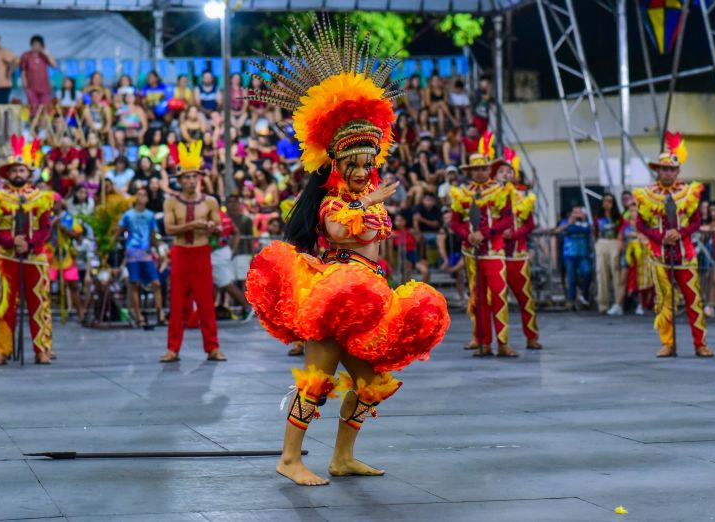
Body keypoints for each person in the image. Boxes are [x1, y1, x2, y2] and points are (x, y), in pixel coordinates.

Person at [244, 17, 449, 486]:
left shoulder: (364, 196)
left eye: (367, 163)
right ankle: (290, 458)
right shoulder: (336, 200)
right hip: (335, 297)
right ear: (335, 164)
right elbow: (336, 231)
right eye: (353, 164)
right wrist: (364, 201)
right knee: (317, 380)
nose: (362, 171)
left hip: (367, 296)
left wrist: (370, 204)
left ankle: (341, 457)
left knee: (372, 383)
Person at [634, 131, 713, 357]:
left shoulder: (689, 193)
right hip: (659, 256)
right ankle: (667, 342)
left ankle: (700, 344)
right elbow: (640, 225)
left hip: (685, 257)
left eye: (671, 169)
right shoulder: (646, 194)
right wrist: (661, 237)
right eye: (663, 169)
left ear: (677, 171)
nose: (667, 173)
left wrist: (679, 233)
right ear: (657, 170)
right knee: (664, 302)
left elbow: (697, 221)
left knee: (693, 301)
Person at [0, 136, 55, 365]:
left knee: (39, 303)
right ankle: (3, 350)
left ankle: (41, 349)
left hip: (35, 257)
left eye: (21, 170)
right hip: (7, 258)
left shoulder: (42, 198)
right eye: (14, 170)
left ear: (29, 173)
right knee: (6, 304)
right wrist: (10, 241)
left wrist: (31, 244)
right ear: (7, 174)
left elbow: (46, 228)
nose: (17, 174)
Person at [450, 138, 516, 357]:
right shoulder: (462, 193)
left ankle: (503, 342)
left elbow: (506, 221)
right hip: (471, 253)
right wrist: (467, 235)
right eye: (475, 169)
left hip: (494, 251)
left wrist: (483, 234)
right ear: (470, 171)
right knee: (478, 299)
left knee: (498, 295)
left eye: (483, 168)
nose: (479, 172)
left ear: (488, 169)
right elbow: (454, 222)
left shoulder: (501, 191)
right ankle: (484, 342)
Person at [161, 141, 225, 362]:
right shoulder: (171, 202)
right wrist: (194, 225)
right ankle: (173, 349)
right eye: (186, 177)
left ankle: (213, 347)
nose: (190, 181)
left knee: (206, 303)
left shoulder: (210, 202)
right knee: (177, 304)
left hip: (201, 254)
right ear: (179, 181)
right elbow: (169, 228)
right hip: (180, 253)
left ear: (199, 179)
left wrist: (211, 228)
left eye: (194, 177)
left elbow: (219, 228)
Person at [495, 147, 542, 350]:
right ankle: (501, 342)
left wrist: (514, 234)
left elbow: (531, 224)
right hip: (495, 256)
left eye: (509, 171)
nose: (505, 175)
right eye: (501, 172)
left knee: (526, 300)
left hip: (518, 257)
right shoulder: (490, 197)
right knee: (498, 302)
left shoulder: (523, 198)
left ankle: (532, 337)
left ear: (514, 175)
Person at [115, 186, 165, 328]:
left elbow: (152, 235)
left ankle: (159, 313)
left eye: (144, 194)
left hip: (146, 253)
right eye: (139, 194)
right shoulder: (128, 215)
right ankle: (139, 316)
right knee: (134, 284)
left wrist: (159, 247)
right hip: (132, 252)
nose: (141, 197)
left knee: (156, 283)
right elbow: (119, 231)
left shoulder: (150, 215)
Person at [47, 193, 85, 322]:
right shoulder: (45, 218)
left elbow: (78, 236)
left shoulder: (69, 218)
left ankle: (81, 314)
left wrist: (64, 228)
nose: (53, 205)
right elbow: (41, 236)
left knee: (73, 285)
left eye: (55, 202)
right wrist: (52, 226)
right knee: (47, 287)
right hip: (50, 258)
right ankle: (45, 314)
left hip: (67, 257)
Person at [555, 205, 593, 311]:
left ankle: (584, 296)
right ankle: (571, 301)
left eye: (578, 212)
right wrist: (569, 223)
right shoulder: (566, 222)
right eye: (574, 212)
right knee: (571, 279)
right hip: (569, 255)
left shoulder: (587, 223)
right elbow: (557, 231)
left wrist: (584, 220)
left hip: (583, 255)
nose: (576, 215)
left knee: (587, 272)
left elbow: (592, 231)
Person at [595, 193, 623, 315]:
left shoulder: (618, 217)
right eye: (605, 201)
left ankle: (618, 303)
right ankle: (603, 304)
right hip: (601, 242)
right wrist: (595, 244)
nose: (607, 203)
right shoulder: (597, 217)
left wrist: (619, 245)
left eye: (610, 201)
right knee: (601, 273)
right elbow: (594, 231)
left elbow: (622, 231)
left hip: (614, 242)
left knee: (616, 272)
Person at [20, 35, 57, 117]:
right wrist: (25, 85)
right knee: (34, 110)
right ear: (31, 45)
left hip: (45, 89)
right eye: (35, 45)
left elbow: (54, 65)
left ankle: (43, 129)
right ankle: (35, 128)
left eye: (39, 45)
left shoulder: (44, 56)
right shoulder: (26, 56)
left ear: (42, 45)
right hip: (31, 88)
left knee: (45, 109)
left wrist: (47, 53)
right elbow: (23, 71)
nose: (36, 47)